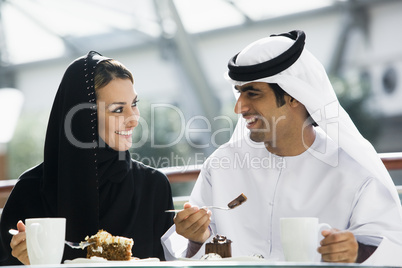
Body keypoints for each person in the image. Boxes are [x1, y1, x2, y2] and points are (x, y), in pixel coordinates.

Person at [161, 30, 402, 265]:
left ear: (294, 96)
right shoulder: (222, 164)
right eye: (239, 93)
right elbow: (186, 253)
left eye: (253, 93)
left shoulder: (354, 169)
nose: (239, 108)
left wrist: (354, 251)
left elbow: (391, 248)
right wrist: (193, 238)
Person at [0, 51, 174, 265]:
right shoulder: (31, 191)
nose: (134, 120)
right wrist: (24, 262)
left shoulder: (153, 186)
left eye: (134, 104)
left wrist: (193, 239)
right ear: (85, 118)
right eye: (118, 109)